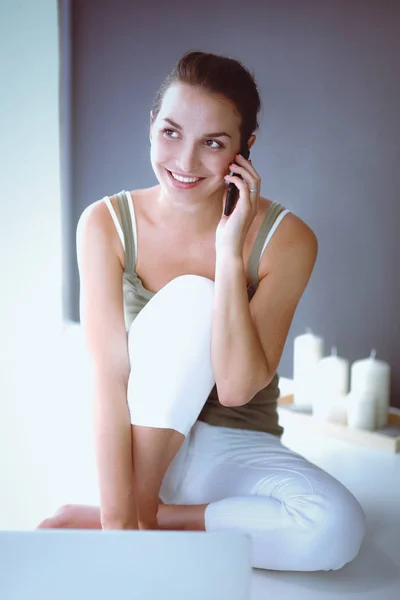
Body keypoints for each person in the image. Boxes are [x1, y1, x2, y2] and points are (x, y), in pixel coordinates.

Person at [38, 50, 366, 571]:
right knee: (194, 299)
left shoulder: (289, 240)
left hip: (229, 442)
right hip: (132, 435)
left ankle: (152, 516)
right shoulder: (105, 223)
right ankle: (129, 510)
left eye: (212, 143)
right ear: (151, 126)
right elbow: (108, 377)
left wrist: (228, 252)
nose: (185, 162)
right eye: (171, 133)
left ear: (245, 150)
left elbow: (237, 388)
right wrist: (119, 530)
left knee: (336, 528)